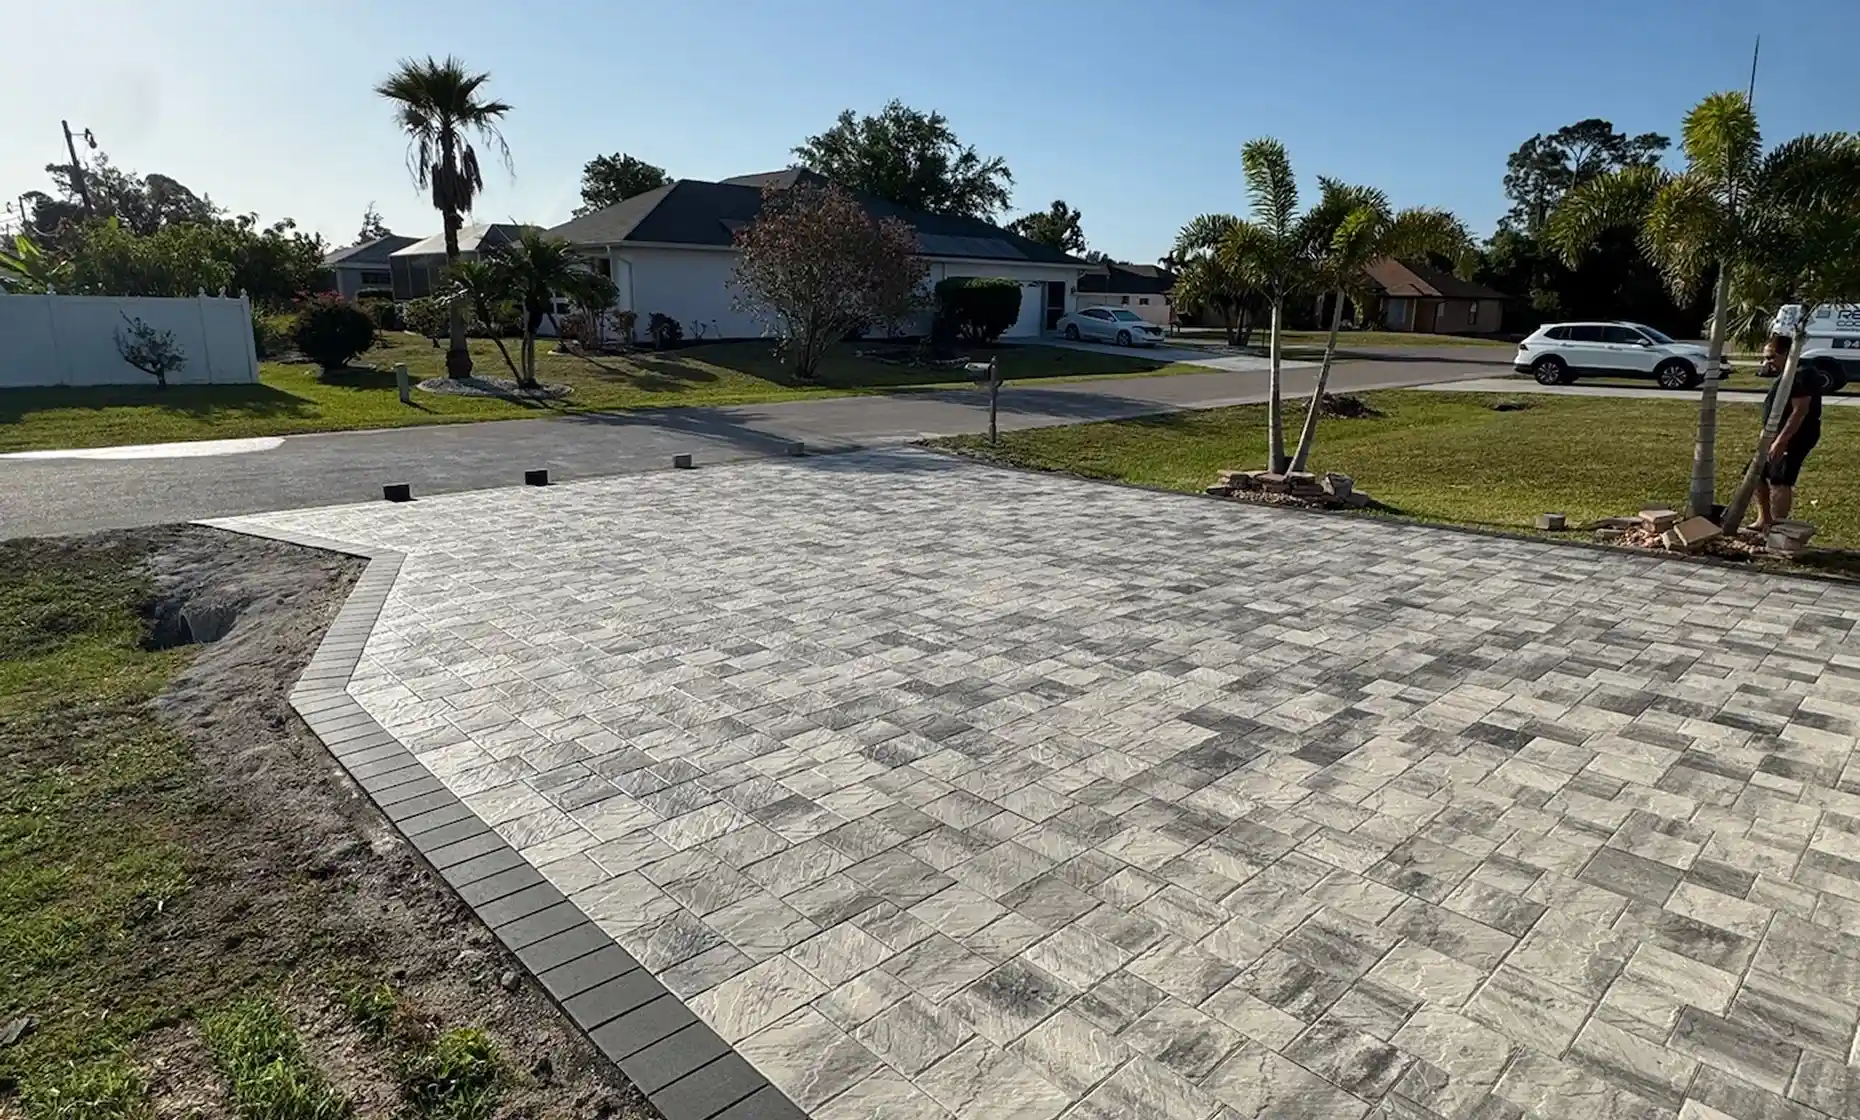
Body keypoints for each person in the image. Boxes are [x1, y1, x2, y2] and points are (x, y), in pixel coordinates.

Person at [1751, 333, 1823, 533]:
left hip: (1796, 435)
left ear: (1787, 354)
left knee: (1780, 480)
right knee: (1756, 473)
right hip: (1775, 435)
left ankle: (1778, 527)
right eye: (1766, 357)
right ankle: (1764, 519)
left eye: (1772, 357)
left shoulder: (1801, 374)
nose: (1768, 362)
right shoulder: (1787, 374)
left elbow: (1800, 411)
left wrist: (1781, 441)